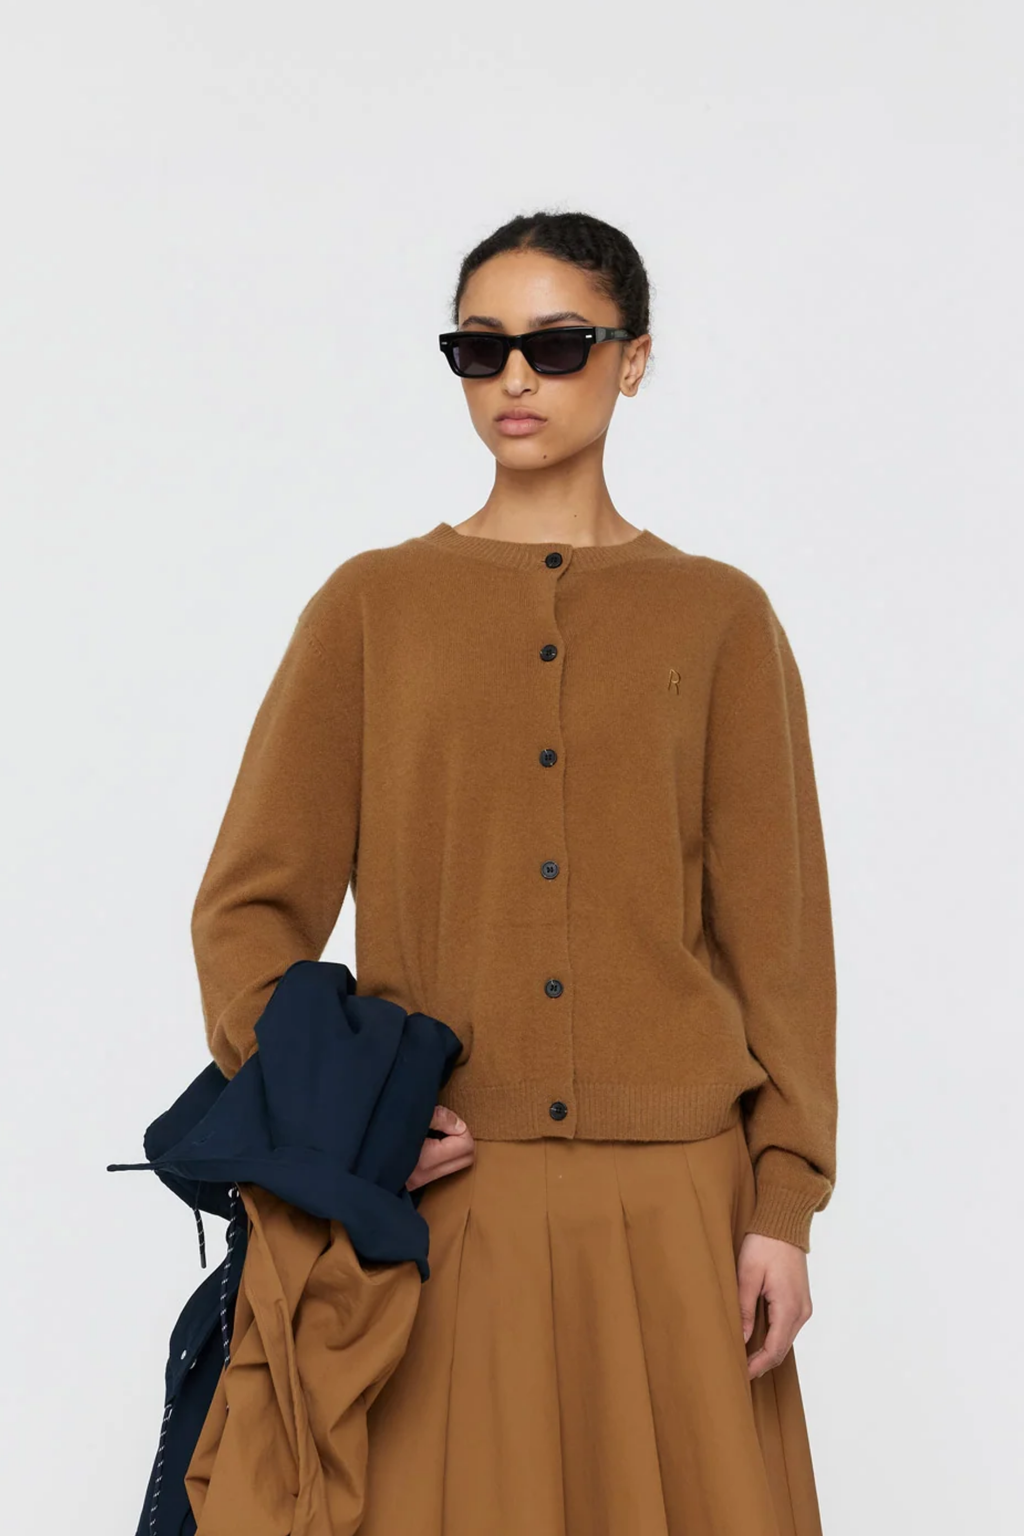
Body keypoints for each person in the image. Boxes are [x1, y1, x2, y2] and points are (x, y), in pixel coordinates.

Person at [190, 208, 838, 1536]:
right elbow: (248, 907)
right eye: (480, 350)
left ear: (634, 359)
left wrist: (784, 1204)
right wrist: (341, 1118)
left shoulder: (719, 616)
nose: (516, 379)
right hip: (447, 1197)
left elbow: (779, 948)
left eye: (558, 344)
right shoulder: (372, 606)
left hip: (674, 1204)